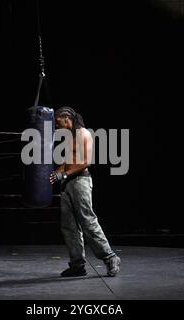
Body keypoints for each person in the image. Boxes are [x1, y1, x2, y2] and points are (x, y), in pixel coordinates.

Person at [49, 106, 121, 277]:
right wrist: (55, 174)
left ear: (66, 117)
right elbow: (67, 162)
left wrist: (64, 174)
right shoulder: (69, 138)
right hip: (67, 185)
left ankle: (110, 257)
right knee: (69, 227)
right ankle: (77, 265)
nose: (56, 125)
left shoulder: (84, 134)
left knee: (88, 221)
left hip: (80, 181)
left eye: (57, 120)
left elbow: (85, 161)